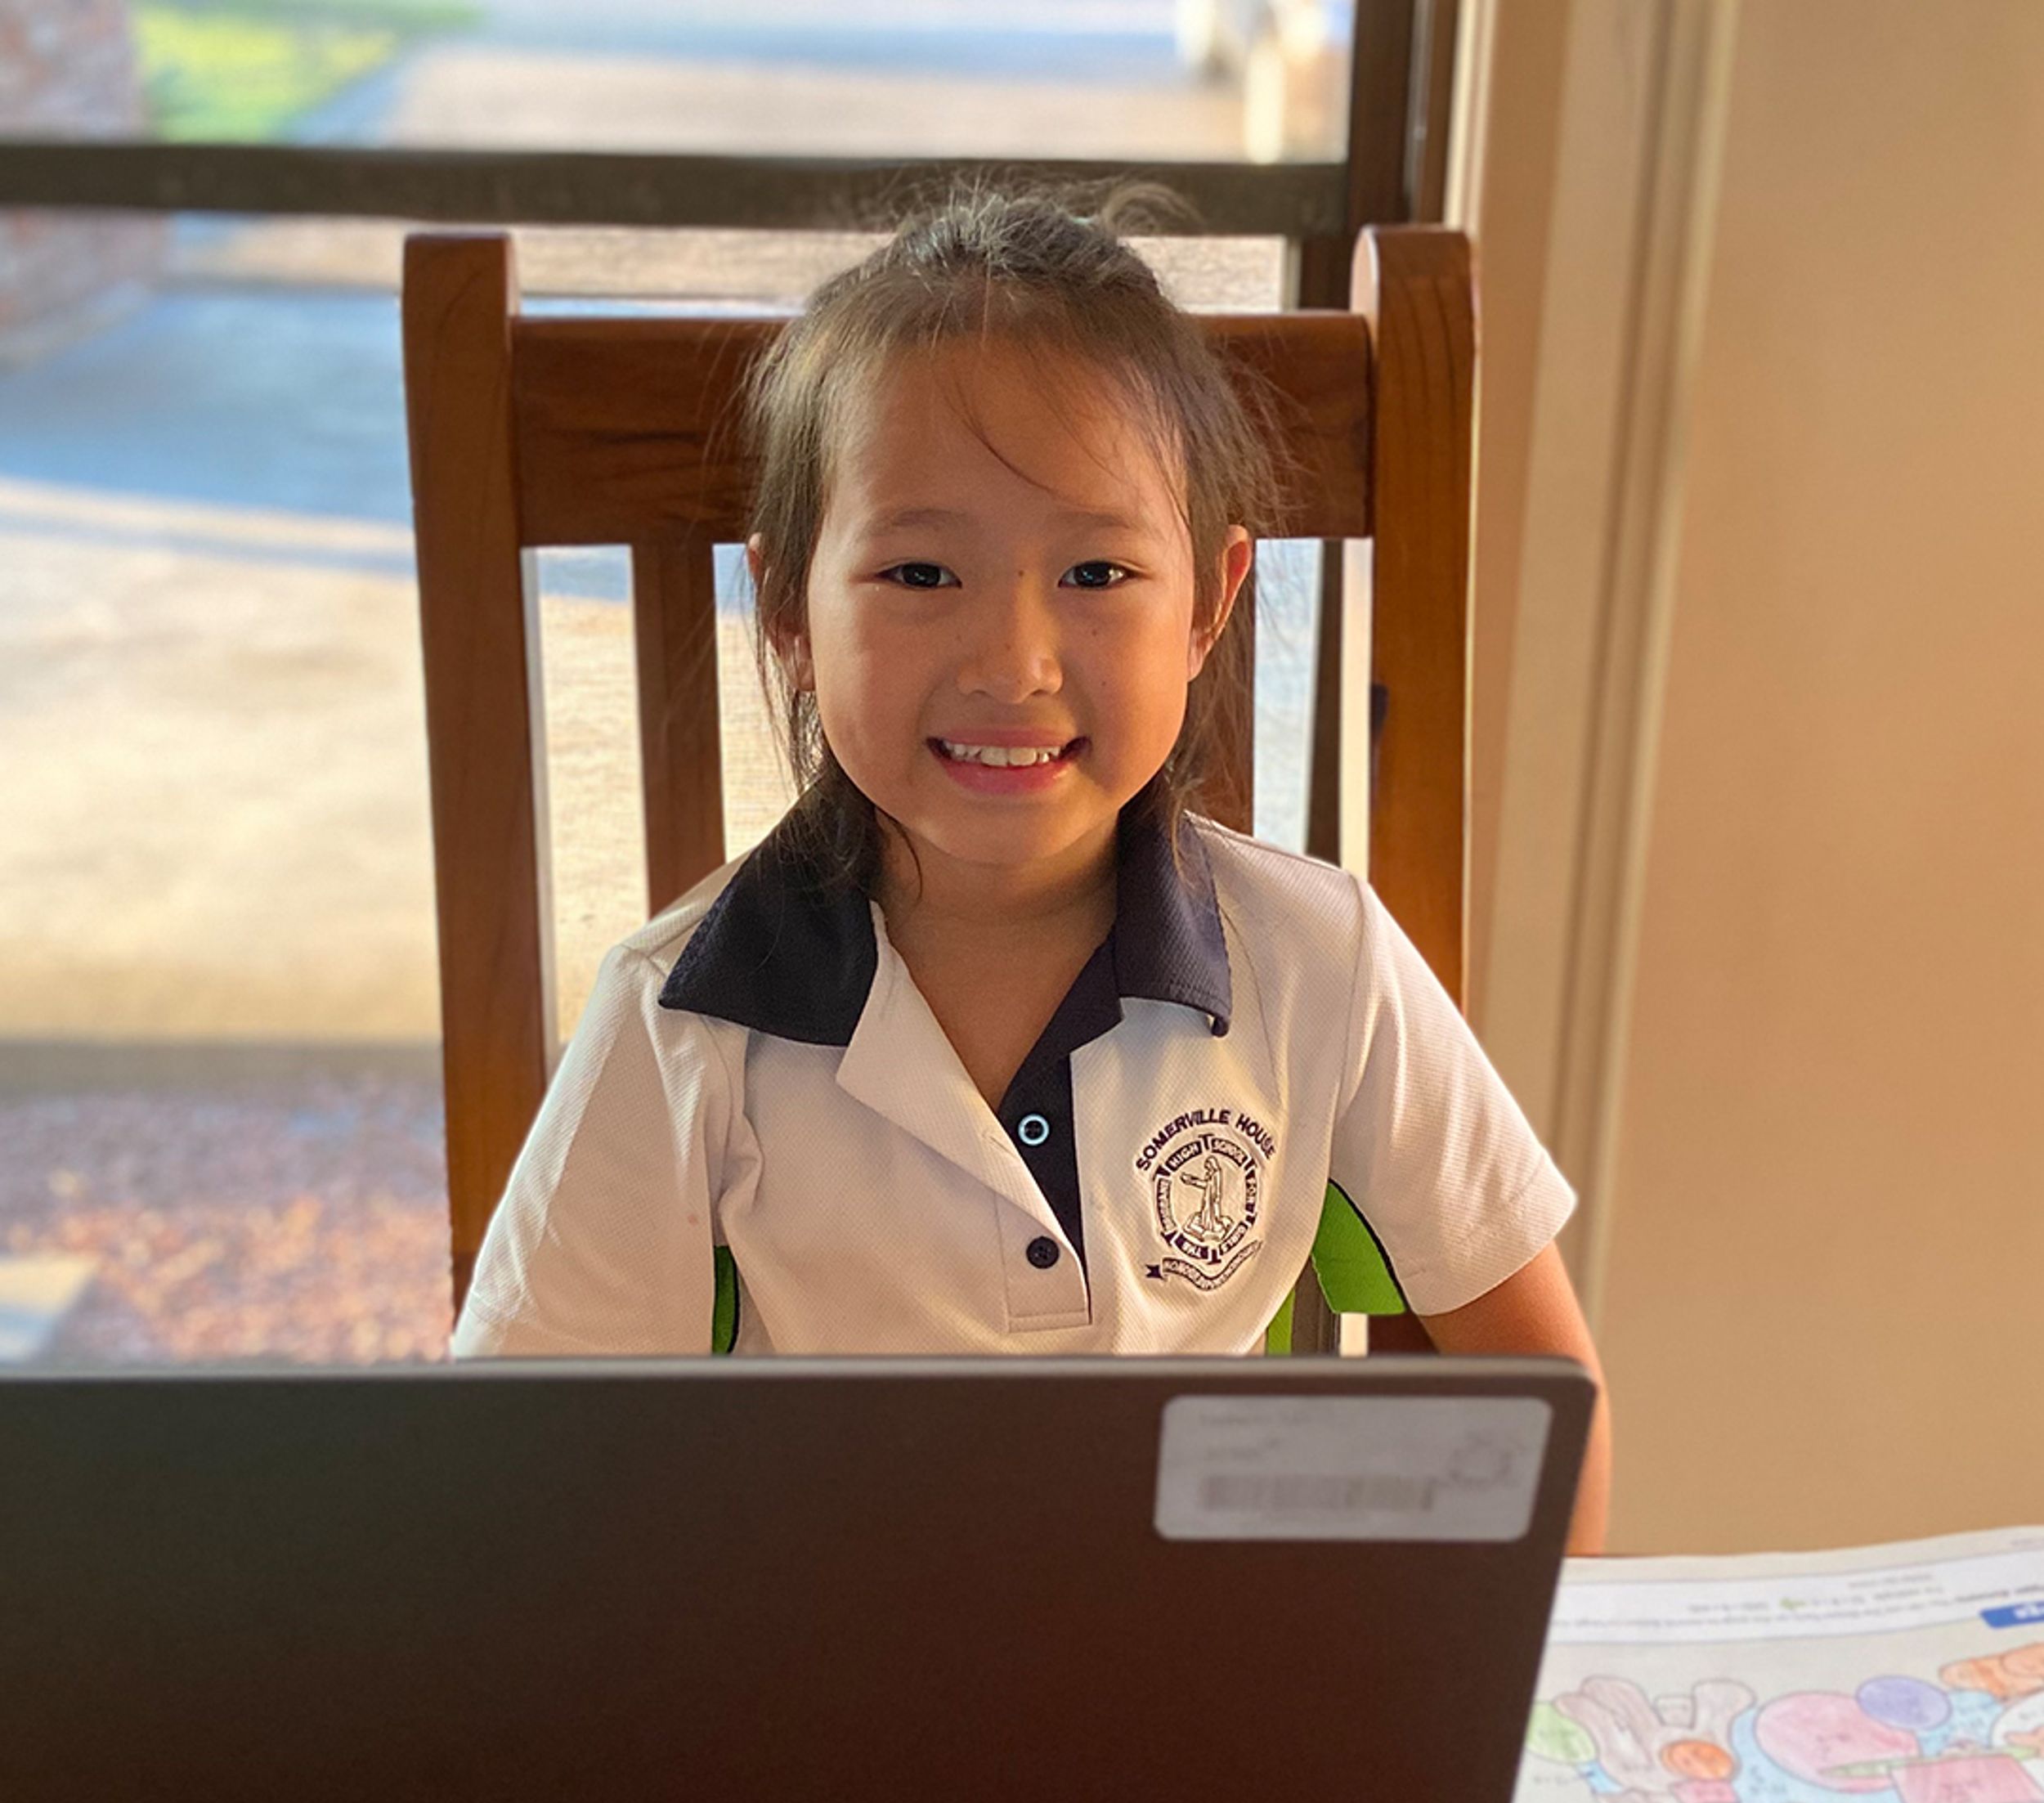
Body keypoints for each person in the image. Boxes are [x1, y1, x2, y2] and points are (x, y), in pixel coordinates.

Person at [450, 186, 1611, 1550]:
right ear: (788, 610)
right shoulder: (682, 1022)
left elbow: (1544, 1408)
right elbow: (512, 1485)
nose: (1012, 665)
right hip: (819, 1659)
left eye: (1097, 573)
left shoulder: (1323, 964)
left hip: (1217, 1653)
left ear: (1211, 603)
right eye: (921, 574)